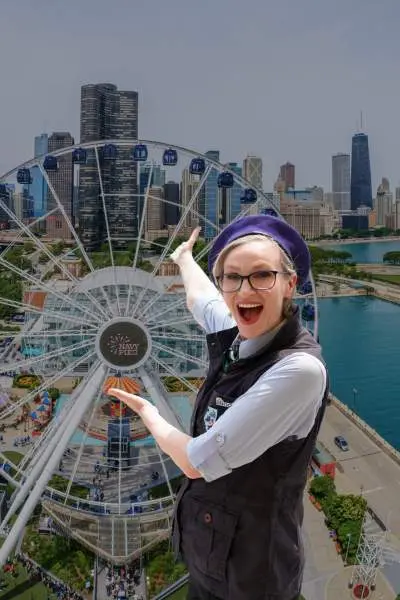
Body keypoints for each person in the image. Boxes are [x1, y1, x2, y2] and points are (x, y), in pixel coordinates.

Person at [106, 215, 329, 600]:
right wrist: (184, 259)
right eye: (232, 277)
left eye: (262, 275)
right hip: (210, 560)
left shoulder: (299, 370)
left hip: (254, 579)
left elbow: (196, 461)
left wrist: (149, 413)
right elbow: (200, 299)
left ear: (290, 284)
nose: (245, 289)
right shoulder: (237, 334)